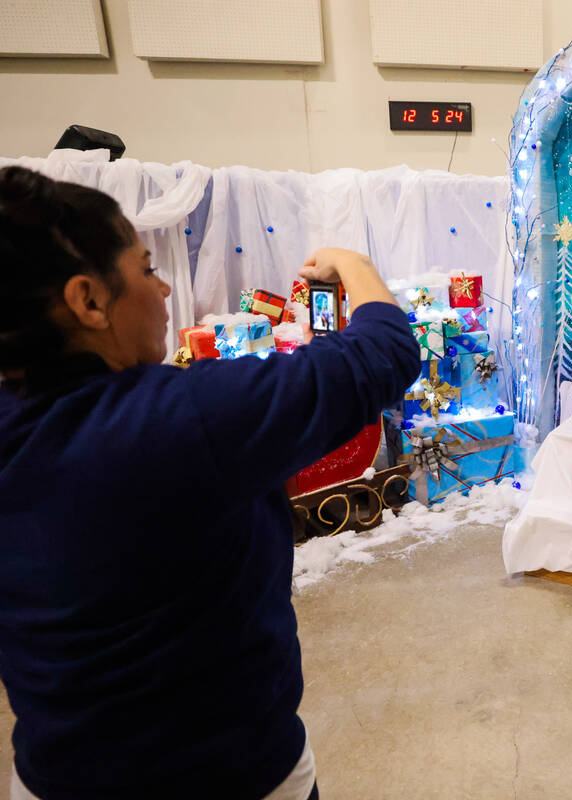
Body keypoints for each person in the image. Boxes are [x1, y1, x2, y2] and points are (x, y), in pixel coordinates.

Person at [0, 166, 420, 799]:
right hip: (229, 772)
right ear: (88, 300)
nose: (166, 288)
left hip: (54, 772)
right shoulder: (179, 421)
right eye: (145, 270)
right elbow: (382, 354)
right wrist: (352, 262)